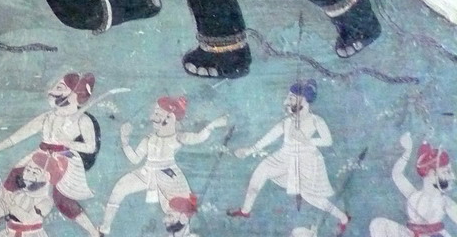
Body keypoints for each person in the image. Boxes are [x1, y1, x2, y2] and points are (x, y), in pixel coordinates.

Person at [0, 73, 102, 237]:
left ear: (74, 93)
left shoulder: (83, 120)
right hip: (42, 154)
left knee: (61, 198)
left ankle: (93, 232)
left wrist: (67, 142)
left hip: (64, 157)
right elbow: (23, 133)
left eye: (60, 88)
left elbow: (90, 147)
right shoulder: (48, 116)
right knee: (16, 173)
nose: (52, 91)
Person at [227, 80, 349, 235]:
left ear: (303, 99)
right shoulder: (288, 121)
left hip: (306, 160)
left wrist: (305, 139)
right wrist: (249, 150)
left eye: (291, 98)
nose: (286, 102)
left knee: (310, 196)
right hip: (284, 156)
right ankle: (245, 210)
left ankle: (343, 217)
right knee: (260, 172)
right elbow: (270, 137)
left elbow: (327, 141)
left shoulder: (316, 120)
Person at [99, 97, 227, 235]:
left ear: (170, 117)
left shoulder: (178, 137)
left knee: (177, 212)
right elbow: (135, 159)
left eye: (157, 113)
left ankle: (184, 233)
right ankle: (104, 228)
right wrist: (125, 141)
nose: (152, 117)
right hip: (148, 171)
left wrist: (213, 125)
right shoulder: (149, 139)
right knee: (119, 188)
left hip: (169, 175)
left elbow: (198, 137)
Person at [369, 132, 457, 237]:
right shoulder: (414, 195)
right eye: (446, 172)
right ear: (432, 174)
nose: (452, 176)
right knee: (378, 224)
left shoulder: (445, 202)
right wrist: (408, 151)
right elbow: (397, 175)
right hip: (410, 234)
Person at [0, 152, 60, 237]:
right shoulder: (18, 194)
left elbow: (27, 219)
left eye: (34, 173)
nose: (27, 175)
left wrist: (10, 204)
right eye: (27, 170)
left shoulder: (46, 201)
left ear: (46, 177)